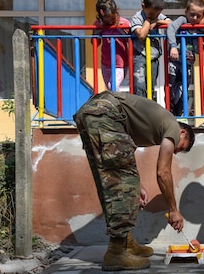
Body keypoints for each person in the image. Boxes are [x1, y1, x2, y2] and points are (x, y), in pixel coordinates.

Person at [73, 90, 195, 271]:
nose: (175, 151)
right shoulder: (171, 125)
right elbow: (163, 172)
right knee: (122, 185)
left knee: (111, 181)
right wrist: (173, 210)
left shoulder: (149, 126)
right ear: (183, 132)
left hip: (90, 114)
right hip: (107, 113)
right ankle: (116, 253)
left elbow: (123, 161)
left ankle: (126, 243)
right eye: (180, 147)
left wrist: (137, 185)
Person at [166, 0, 204, 116]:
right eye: (192, 15)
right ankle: (169, 111)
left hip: (187, 64)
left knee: (183, 89)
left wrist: (197, 39)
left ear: (202, 16)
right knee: (171, 87)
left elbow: (199, 50)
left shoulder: (199, 29)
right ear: (186, 12)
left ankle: (179, 113)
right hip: (174, 62)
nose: (194, 18)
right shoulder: (182, 20)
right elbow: (171, 28)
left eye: (198, 16)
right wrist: (173, 46)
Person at [130, 0, 171, 98]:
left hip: (153, 57)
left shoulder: (158, 16)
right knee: (140, 87)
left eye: (157, 14)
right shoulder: (138, 17)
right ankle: (139, 112)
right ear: (143, 6)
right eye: (151, 13)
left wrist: (157, 21)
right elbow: (141, 35)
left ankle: (148, 112)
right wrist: (148, 21)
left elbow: (171, 23)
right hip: (140, 56)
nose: (154, 16)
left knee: (151, 86)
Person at [92, 0, 130, 92]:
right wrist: (97, 31)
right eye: (106, 19)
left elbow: (131, 42)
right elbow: (95, 44)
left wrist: (122, 31)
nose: (110, 21)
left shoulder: (123, 22)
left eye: (112, 18)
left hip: (120, 63)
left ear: (116, 11)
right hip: (106, 63)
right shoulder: (98, 24)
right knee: (110, 89)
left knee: (113, 86)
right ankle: (115, 105)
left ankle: (121, 105)